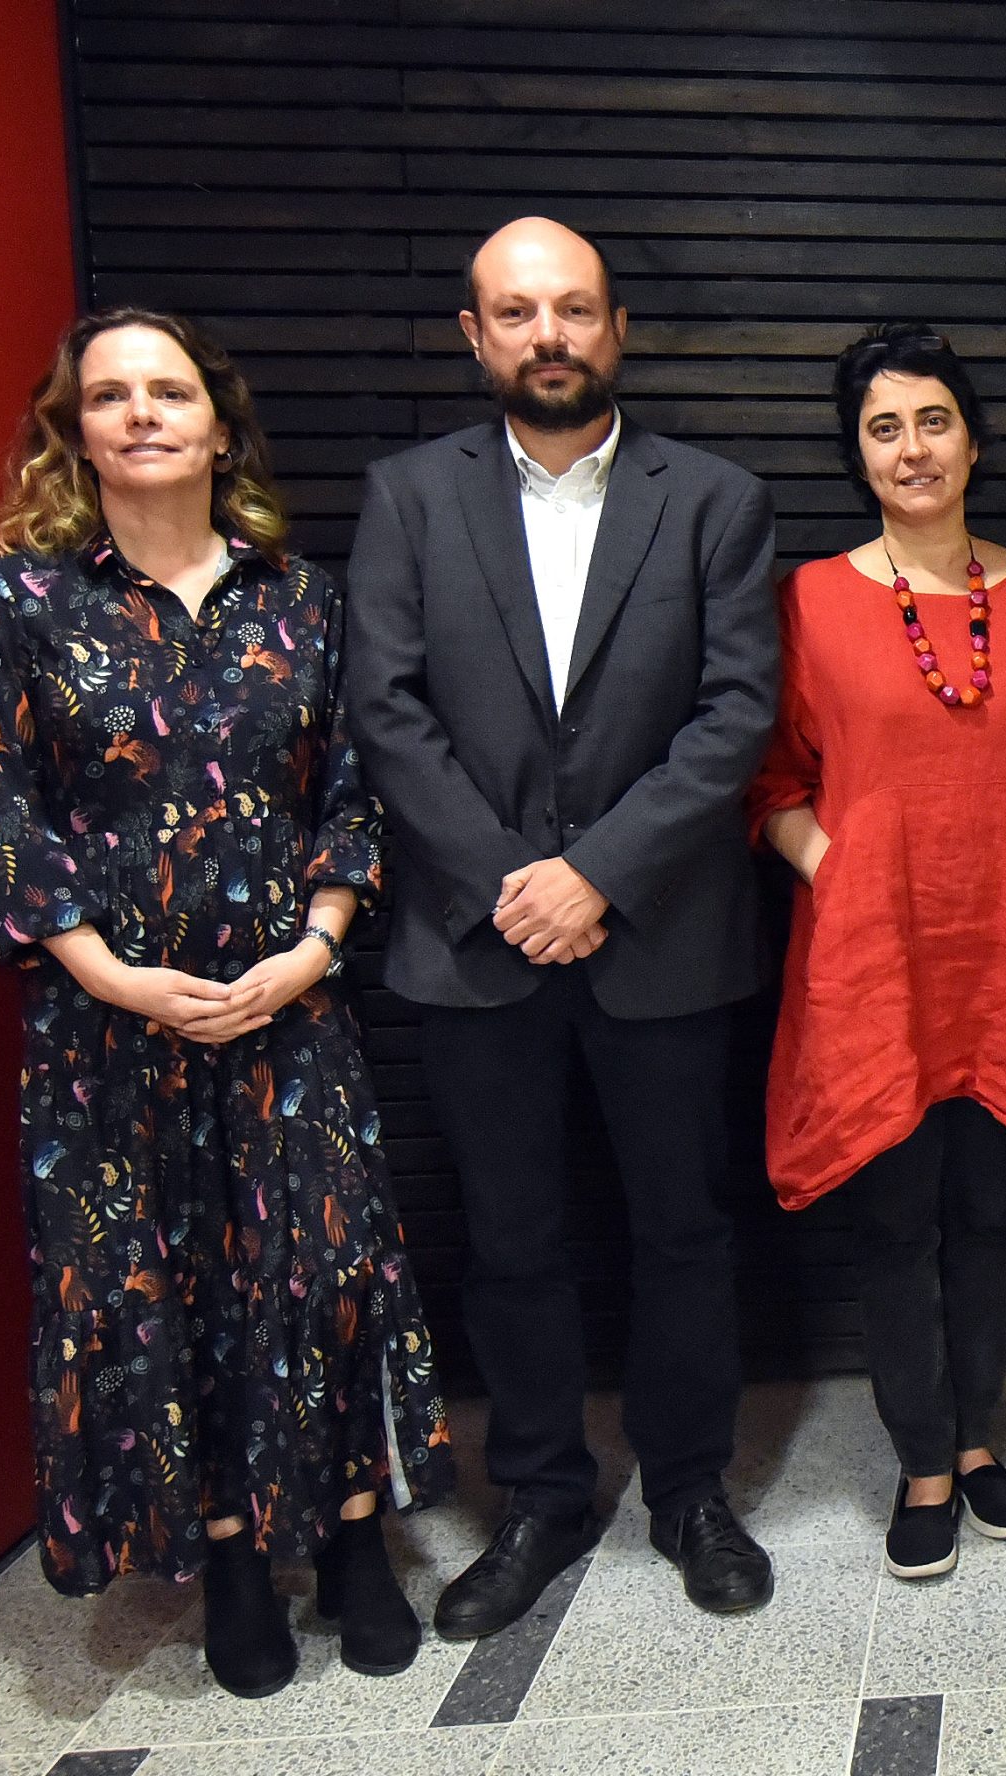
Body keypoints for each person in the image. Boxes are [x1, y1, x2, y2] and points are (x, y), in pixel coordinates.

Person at [0, 307, 451, 1699]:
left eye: (170, 391)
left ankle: (353, 1539)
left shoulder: (297, 596)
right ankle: (230, 1552)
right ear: (77, 430)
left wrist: (316, 945)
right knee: (167, 1286)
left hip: (292, 1011)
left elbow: (353, 793)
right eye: (110, 396)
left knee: (321, 1277)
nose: (143, 414)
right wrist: (115, 978)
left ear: (219, 424)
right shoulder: (16, 597)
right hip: (112, 1030)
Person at [345, 216, 780, 1632]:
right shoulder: (408, 498)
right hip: (475, 946)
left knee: (684, 1233)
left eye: (575, 309)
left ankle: (692, 1492)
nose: (550, 335)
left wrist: (596, 872)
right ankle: (538, 1497)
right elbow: (386, 714)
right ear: (475, 336)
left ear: (618, 327)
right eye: (518, 313)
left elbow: (735, 711)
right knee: (511, 1239)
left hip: (660, 933)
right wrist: (511, 883)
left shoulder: (712, 499)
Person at [749, 325, 1006, 1581]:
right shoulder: (808, 598)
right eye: (884, 427)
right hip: (875, 959)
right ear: (857, 453)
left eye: (934, 420)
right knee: (897, 1219)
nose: (913, 448)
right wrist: (833, 869)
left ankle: (972, 1441)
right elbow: (774, 780)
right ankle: (919, 1452)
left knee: (993, 1214)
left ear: (974, 438)